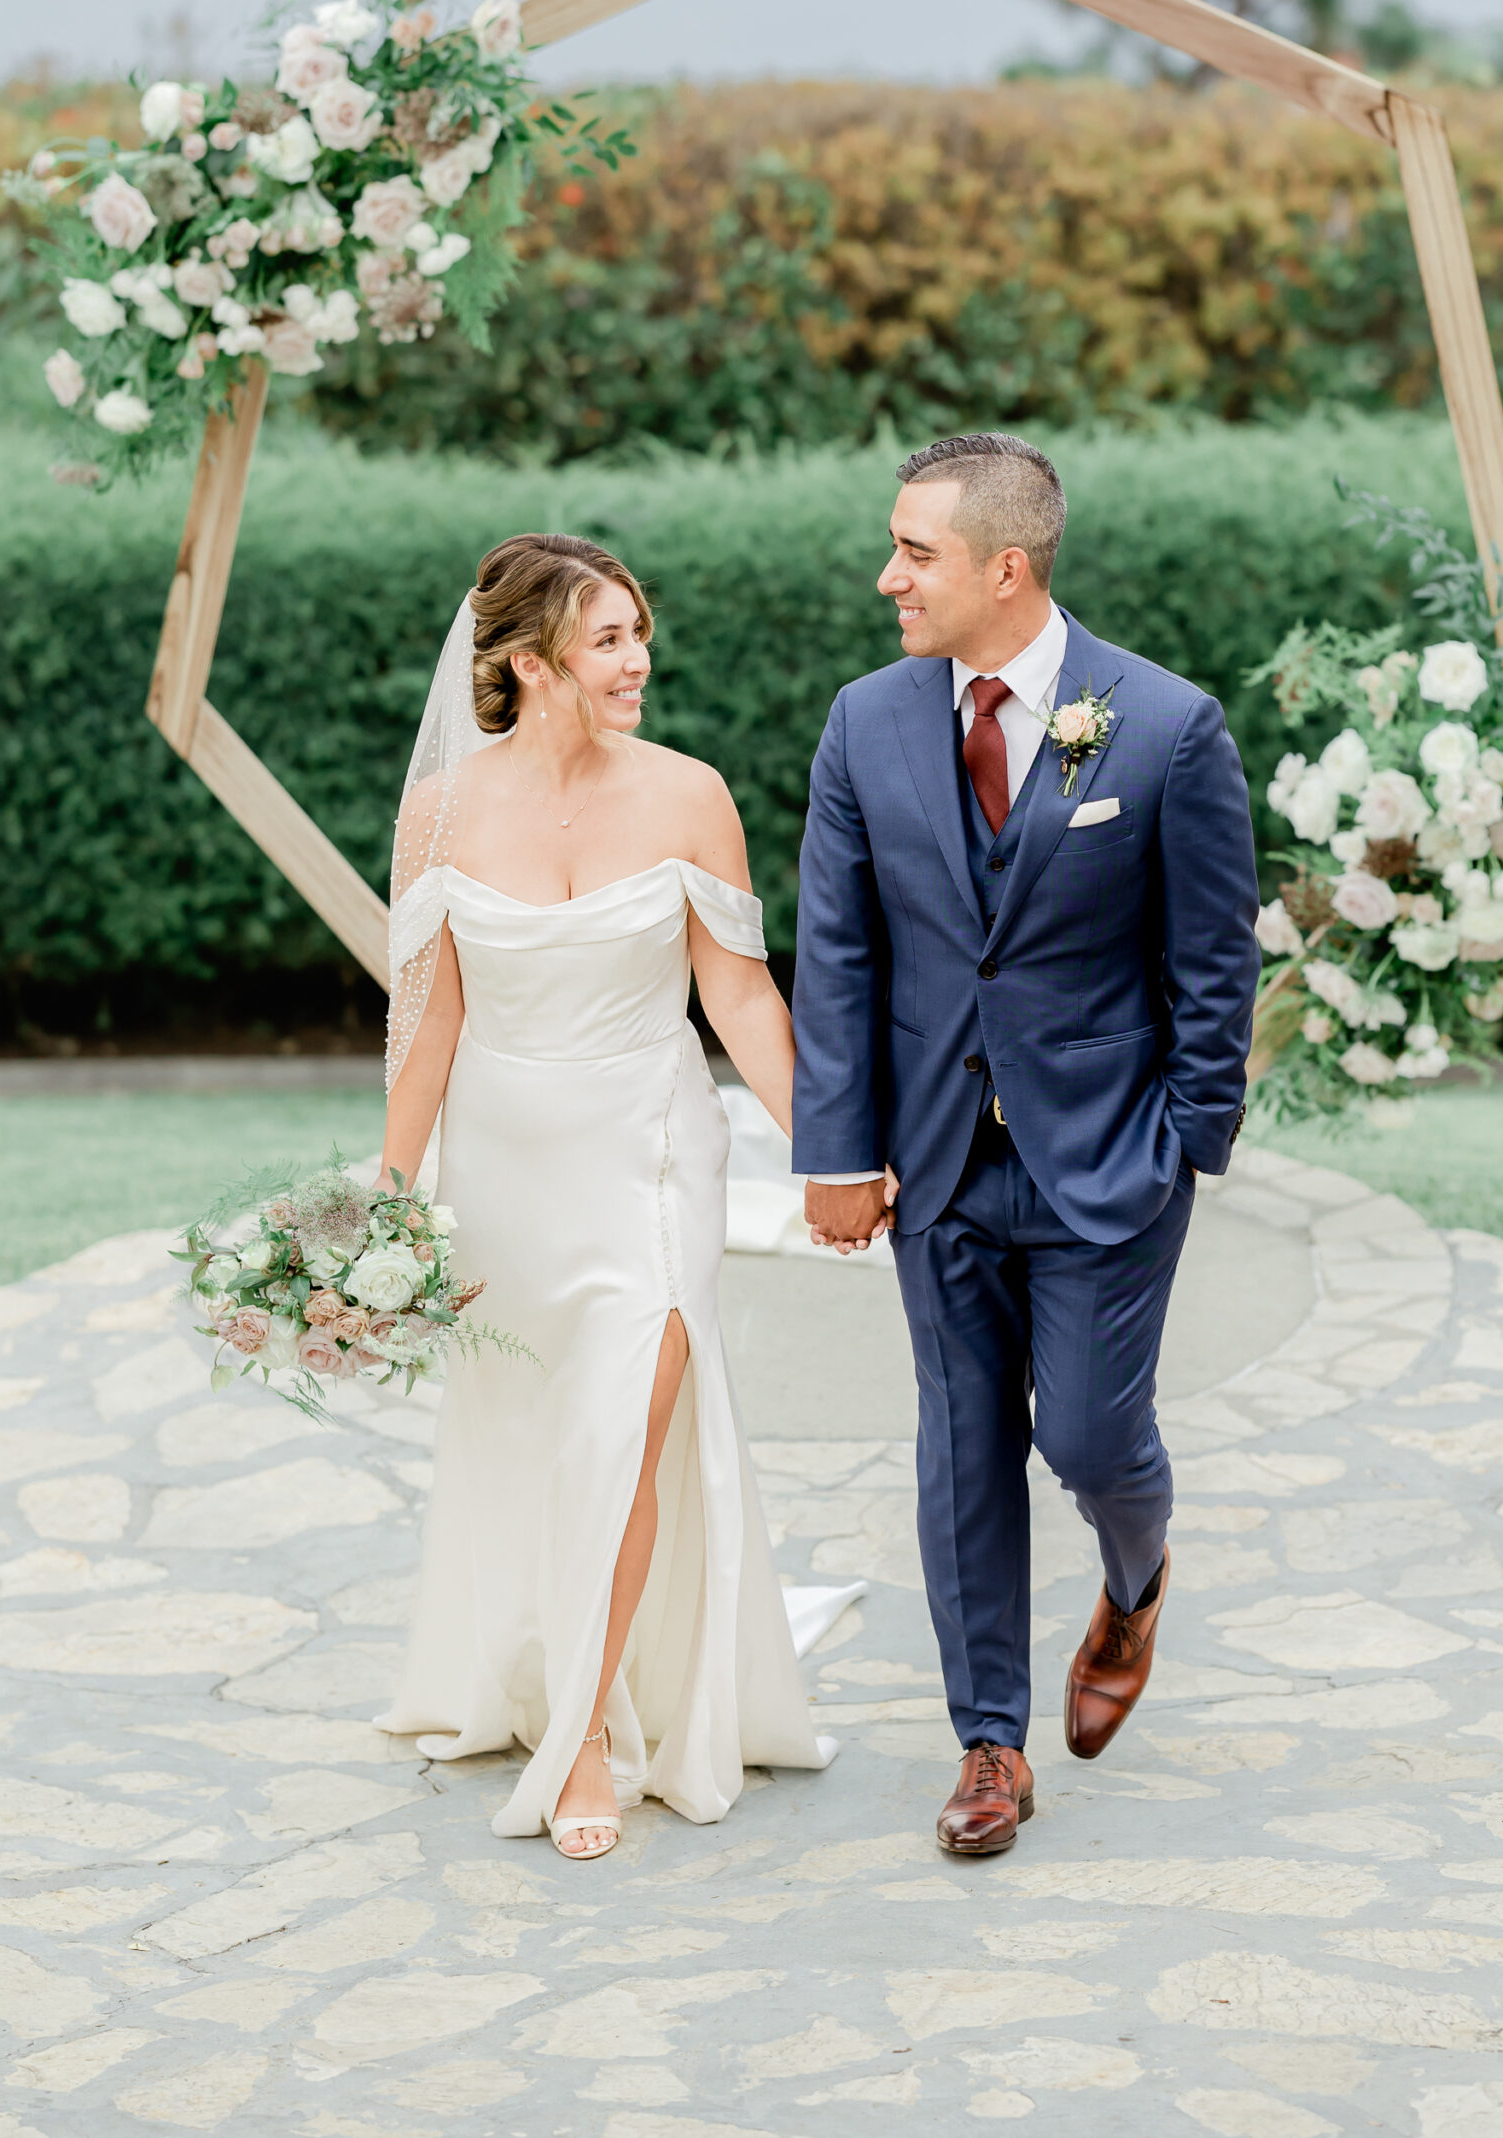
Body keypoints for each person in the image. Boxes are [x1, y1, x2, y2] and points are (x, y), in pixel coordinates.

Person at [792, 434, 1260, 1856]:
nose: (888, 578)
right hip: (936, 1161)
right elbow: (839, 951)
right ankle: (989, 1745)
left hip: (1110, 1154)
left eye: (914, 553)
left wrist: (1190, 1137)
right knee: (963, 1450)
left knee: (1096, 1437)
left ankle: (1136, 1575)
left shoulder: (1167, 728)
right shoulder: (864, 725)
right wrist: (838, 1149)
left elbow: (1213, 961)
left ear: (1007, 566)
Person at [373, 533, 840, 1858]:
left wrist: (828, 1151)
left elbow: (739, 993)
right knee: (545, 1435)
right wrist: (387, 1208)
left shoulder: (690, 795)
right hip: (508, 1170)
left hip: (651, 1150)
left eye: (641, 633)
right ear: (527, 662)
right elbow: (431, 1022)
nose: (639, 662)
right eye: (610, 642)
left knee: (631, 1421)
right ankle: (565, 1674)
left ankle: (583, 1738)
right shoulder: (443, 816)